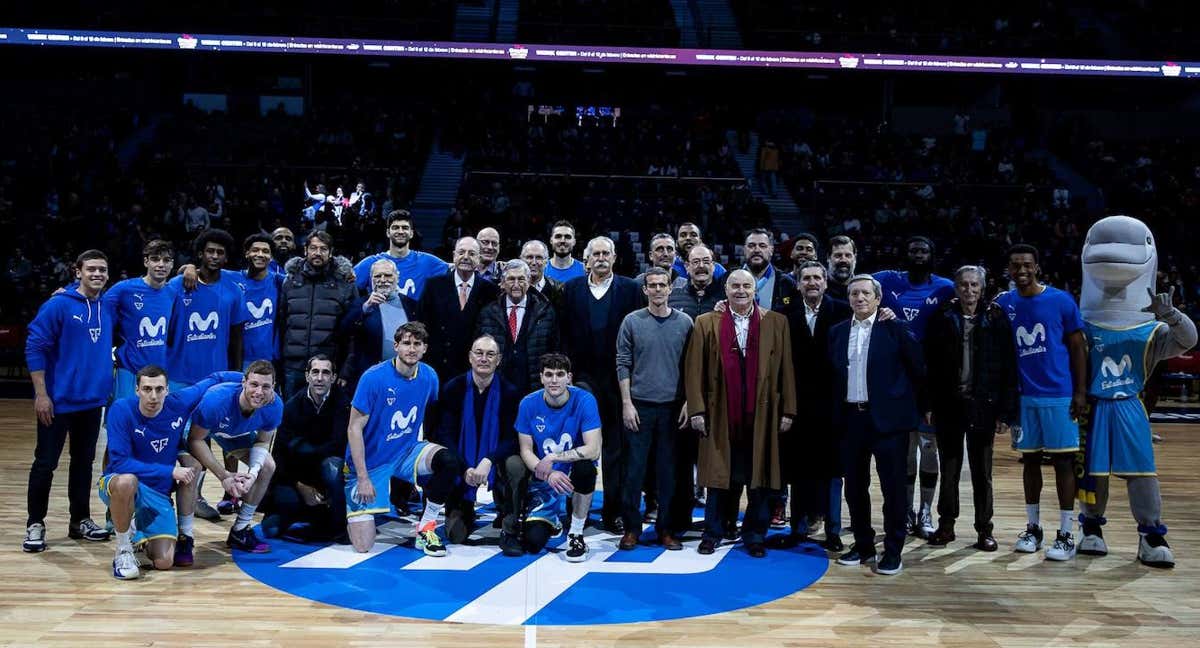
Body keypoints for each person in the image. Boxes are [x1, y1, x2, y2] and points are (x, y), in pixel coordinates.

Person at [1076, 216, 1197, 568]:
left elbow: (1189, 339)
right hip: (1093, 406)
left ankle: (1151, 534)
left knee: (1142, 471)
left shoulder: (1151, 328)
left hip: (1130, 404)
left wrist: (1171, 313)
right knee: (1093, 472)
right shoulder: (1080, 322)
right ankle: (1091, 529)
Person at [684, 269, 796, 558]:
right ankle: (713, 532)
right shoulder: (706, 322)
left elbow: (786, 370)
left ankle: (755, 535)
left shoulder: (776, 322)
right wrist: (696, 408)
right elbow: (694, 370)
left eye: (747, 285)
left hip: (763, 414)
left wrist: (788, 410)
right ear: (726, 289)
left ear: (755, 289)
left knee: (759, 478)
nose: (741, 290)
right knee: (719, 478)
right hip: (720, 411)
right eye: (735, 285)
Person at [100, 366, 243, 577]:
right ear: (137, 389)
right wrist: (170, 471)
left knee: (164, 562)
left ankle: (139, 531)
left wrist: (249, 382)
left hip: (157, 493)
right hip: (119, 482)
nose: (153, 396)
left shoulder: (179, 402)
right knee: (127, 481)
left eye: (159, 389)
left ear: (167, 390)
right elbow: (120, 463)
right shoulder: (121, 409)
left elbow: (216, 378)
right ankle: (123, 550)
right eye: (147, 389)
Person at [995, 244, 1088, 561]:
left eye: (1026, 265)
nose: (1021, 270)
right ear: (1008, 268)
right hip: (1023, 397)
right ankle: (1033, 528)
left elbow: (1078, 348)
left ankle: (1066, 532)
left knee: (1063, 462)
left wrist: (1080, 393)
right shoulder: (1003, 303)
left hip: (1059, 394)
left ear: (1037, 267)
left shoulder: (1061, 300)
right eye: (1015, 265)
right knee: (1030, 462)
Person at [830, 275, 925, 575]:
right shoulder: (837, 332)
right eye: (854, 293)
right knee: (855, 488)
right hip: (850, 420)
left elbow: (918, 371)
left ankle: (893, 549)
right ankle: (863, 544)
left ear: (878, 298)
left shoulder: (896, 329)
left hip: (889, 422)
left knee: (893, 489)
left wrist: (919, 412)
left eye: (865, 293)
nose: (859, 298)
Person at [344, 322, 465, 557]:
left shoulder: (429, 376)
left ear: (425, 348)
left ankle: (427, 526)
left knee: (448, 461)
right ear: (396, 346)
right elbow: (353, 429)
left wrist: (431, 454)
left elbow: (432, 414)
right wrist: (362, 477)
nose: (412, 349)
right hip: (371, 462)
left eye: (417, 344)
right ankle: (345, 505)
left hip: (406, 452)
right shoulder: (373, 378)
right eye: (406, 343)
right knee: (363, 545)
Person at [23, 250, 115, 552]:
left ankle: (80, 521)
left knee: (83, 465)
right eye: (91, 269)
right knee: (45, 463)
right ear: (78, 272)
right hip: (57, 402)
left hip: (91, 403)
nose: (97, 274)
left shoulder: (108, 305)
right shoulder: (58, 305)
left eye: (102, 269)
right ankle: (35, 523)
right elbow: (34, 347)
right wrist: (41, 395)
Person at [924, 266, 1019, 551]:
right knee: (949, 470)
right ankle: (946, 526)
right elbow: (928, 363)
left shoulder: (996, 316)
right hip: (948, 405)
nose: (969, 290)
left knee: (982, 473)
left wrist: (1006, 412)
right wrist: (927, 402)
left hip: (984, 406)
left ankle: (984, 530)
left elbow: (1008, 367)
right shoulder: (942, 316)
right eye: (964, 285)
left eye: (974, 285)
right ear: (956, 287)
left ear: (982, 287)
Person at [559, 236, 645, 533]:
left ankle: (614, 512)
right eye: (595, 253)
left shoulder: (632, 290)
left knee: (616, 449)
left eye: (605, 253)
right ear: (587, 259)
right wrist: (566, 371)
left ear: (614, 257)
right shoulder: (570, 290)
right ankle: (573, 510)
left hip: (617, 378)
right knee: (579, 445)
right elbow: (563, 334)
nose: (600, 258)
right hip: (582, 377)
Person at [875, 236, 956, 538]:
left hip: (932, 381)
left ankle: (926, 511)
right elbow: (856, 284)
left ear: (932, 255)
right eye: (913, 250)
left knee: (929, 446)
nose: (919, 255)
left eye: (924, 250)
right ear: (905, 254)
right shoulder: (886, 280)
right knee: (907, 449)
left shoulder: (945, 287)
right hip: (899, 379)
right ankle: (908, 510)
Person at [774, 260, 851, 551]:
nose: (812, 283)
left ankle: (833, 530)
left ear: (826, 282)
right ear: (798, 283)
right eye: (806, 278)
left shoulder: (843, 310)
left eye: (817, 277)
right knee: (799, 472)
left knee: (832, 473)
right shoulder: (785, 315)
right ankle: (798, 529)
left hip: (834, 406)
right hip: (798, 407)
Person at [616, 268, 694, 551]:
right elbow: (622, 362)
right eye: (653, 285)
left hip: (673, 408)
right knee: (634, 472)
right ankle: (631, 530)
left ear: (670, 288)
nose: (658, 289)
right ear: (645, 289)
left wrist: (688, 401)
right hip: (639, 406)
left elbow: (691, 366)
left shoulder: (685, 322)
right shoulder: (632, 321)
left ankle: (666, 530)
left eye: (663, 285)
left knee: (668, 473)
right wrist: (626, 403)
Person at [506, 353, 603, 560]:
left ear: (569, 377)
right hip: (544, 480)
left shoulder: (585, 400)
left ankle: (576, 533)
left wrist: (553, 458)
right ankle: (552, 519)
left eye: (560, 375)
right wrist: (549, 474)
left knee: (586, 468)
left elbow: (594, 449)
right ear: (541, 377)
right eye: (548, 374)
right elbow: (526, 450)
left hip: (573, 476)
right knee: (533, 543)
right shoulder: (528, 404)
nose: (554, 380)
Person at [186, 361, 285, 553]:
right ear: (243, 382)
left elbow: (263, 442)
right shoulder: (217, 399)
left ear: (273, 387)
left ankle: (240, 529)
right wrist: (224, 476)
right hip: (196, 426)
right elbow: (195, 440)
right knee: (193, 466)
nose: (259, 392)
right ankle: (185, 535)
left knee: (267, 466)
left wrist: (252, 475)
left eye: (265, 386)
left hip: (233, 433)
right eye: (254, 385)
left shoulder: (275, 406)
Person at [431, 335, 521, 546]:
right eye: (479, 353)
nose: (484, 358)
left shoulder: (510, 392)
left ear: (498, 360)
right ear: (470, 357)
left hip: (495, 460)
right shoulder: (453, 388)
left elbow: (512, 438)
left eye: (490, 354)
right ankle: (462, 507)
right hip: (462, 463)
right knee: (456, 536)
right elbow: (445, 434)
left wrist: (489, 459)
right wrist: (465, 468)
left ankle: (510, 520)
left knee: (515, 464)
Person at [261, 355, 351, 542]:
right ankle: (314, 514)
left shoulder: (344, 405)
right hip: (297, 475)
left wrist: (301, 448)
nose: (320, 378)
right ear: (307, 376)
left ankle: (337, 524)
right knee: (271, 529)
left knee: (333, 467)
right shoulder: (291, 407)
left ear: (333, 377)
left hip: (326, 473)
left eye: (326, 373)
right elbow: (279, 454)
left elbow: (339, 445)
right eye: (315, 372)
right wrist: (301, 486)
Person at [279, 230, 358, 398]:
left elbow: (353, 332)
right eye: (313, 248)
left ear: (330, 253)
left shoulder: (345, 283)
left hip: (328, 367)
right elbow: (281, 323)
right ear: (305, 250)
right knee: (291, 420)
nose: (317, 253)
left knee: (324, 422)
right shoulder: (290, 281)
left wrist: (346, 369)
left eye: (323, 249)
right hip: (293, 366)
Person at [418, 236, 500, 383]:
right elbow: (422, 325)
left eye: (472, 253)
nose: (466, 257)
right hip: (436, 367)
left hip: (472, 371)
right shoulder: (434, 286)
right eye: (461, 252)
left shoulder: (490, 291)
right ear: (454, 255)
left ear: (479, 258)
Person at [103, 240, 176, 400]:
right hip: (129, 370)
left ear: (172, 264)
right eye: (155, 259)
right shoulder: (124, 289)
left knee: (153, 422)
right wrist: (69, 290)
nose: (161, 264)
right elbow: (95, 304)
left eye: (166, 260)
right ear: (146, 261)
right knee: (124, 420)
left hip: (159, 373)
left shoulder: (173, 291)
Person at [476, 259, 559, 394]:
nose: (516, 285)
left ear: (528, 282)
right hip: (497, 387)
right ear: (502, 283)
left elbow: (554, 349)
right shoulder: (488, 312)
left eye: (521, 279)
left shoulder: (545, 312)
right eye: (511, 279)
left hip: (533, 387)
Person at [341, 259, 419, 389]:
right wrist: (365, 308)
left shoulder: (411, 305)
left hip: (406, 375)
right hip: (370, 375)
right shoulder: (360, 304)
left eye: (388, 275)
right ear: (371, 280)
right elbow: (344, 331)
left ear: (397, 278)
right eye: (378, 276)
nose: (383, 279)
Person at [353, 210, 449, 299]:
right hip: (380, 316)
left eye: (405, 228)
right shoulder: (370, 263)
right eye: (395, 228)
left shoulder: (427, 262)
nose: (400, 231)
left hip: (415, 317)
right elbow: (346, 285)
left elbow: (455, 270)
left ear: (411, 233)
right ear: (388, 233)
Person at [233, 234, 284, 372]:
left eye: (266, 251)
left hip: (268, 359)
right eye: (255, 250)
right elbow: (202, 274)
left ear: (271, 257)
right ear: (247, 253)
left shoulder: (278, 281)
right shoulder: (231, 278)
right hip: (238, 358)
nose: (260, 254)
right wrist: (188, 268)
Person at [742, 228, 798, 313]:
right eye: (751, 245)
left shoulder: (786, 283)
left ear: (771, 250)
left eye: (762, 246)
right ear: (744, 250)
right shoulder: (728, 279)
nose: (757, 250)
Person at [521, 239, 564, 310]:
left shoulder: (559, 291)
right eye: (529, 257)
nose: (534, 262)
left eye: (539, 258)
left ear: (546, 262)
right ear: (521, 260)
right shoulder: (511, 289)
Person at [825, 235, 858, 301]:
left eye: (848, 255)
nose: (843, 260)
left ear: (855, 258)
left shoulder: (866, 289)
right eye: (838, 255)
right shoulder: (818, 290)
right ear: (828, 257)